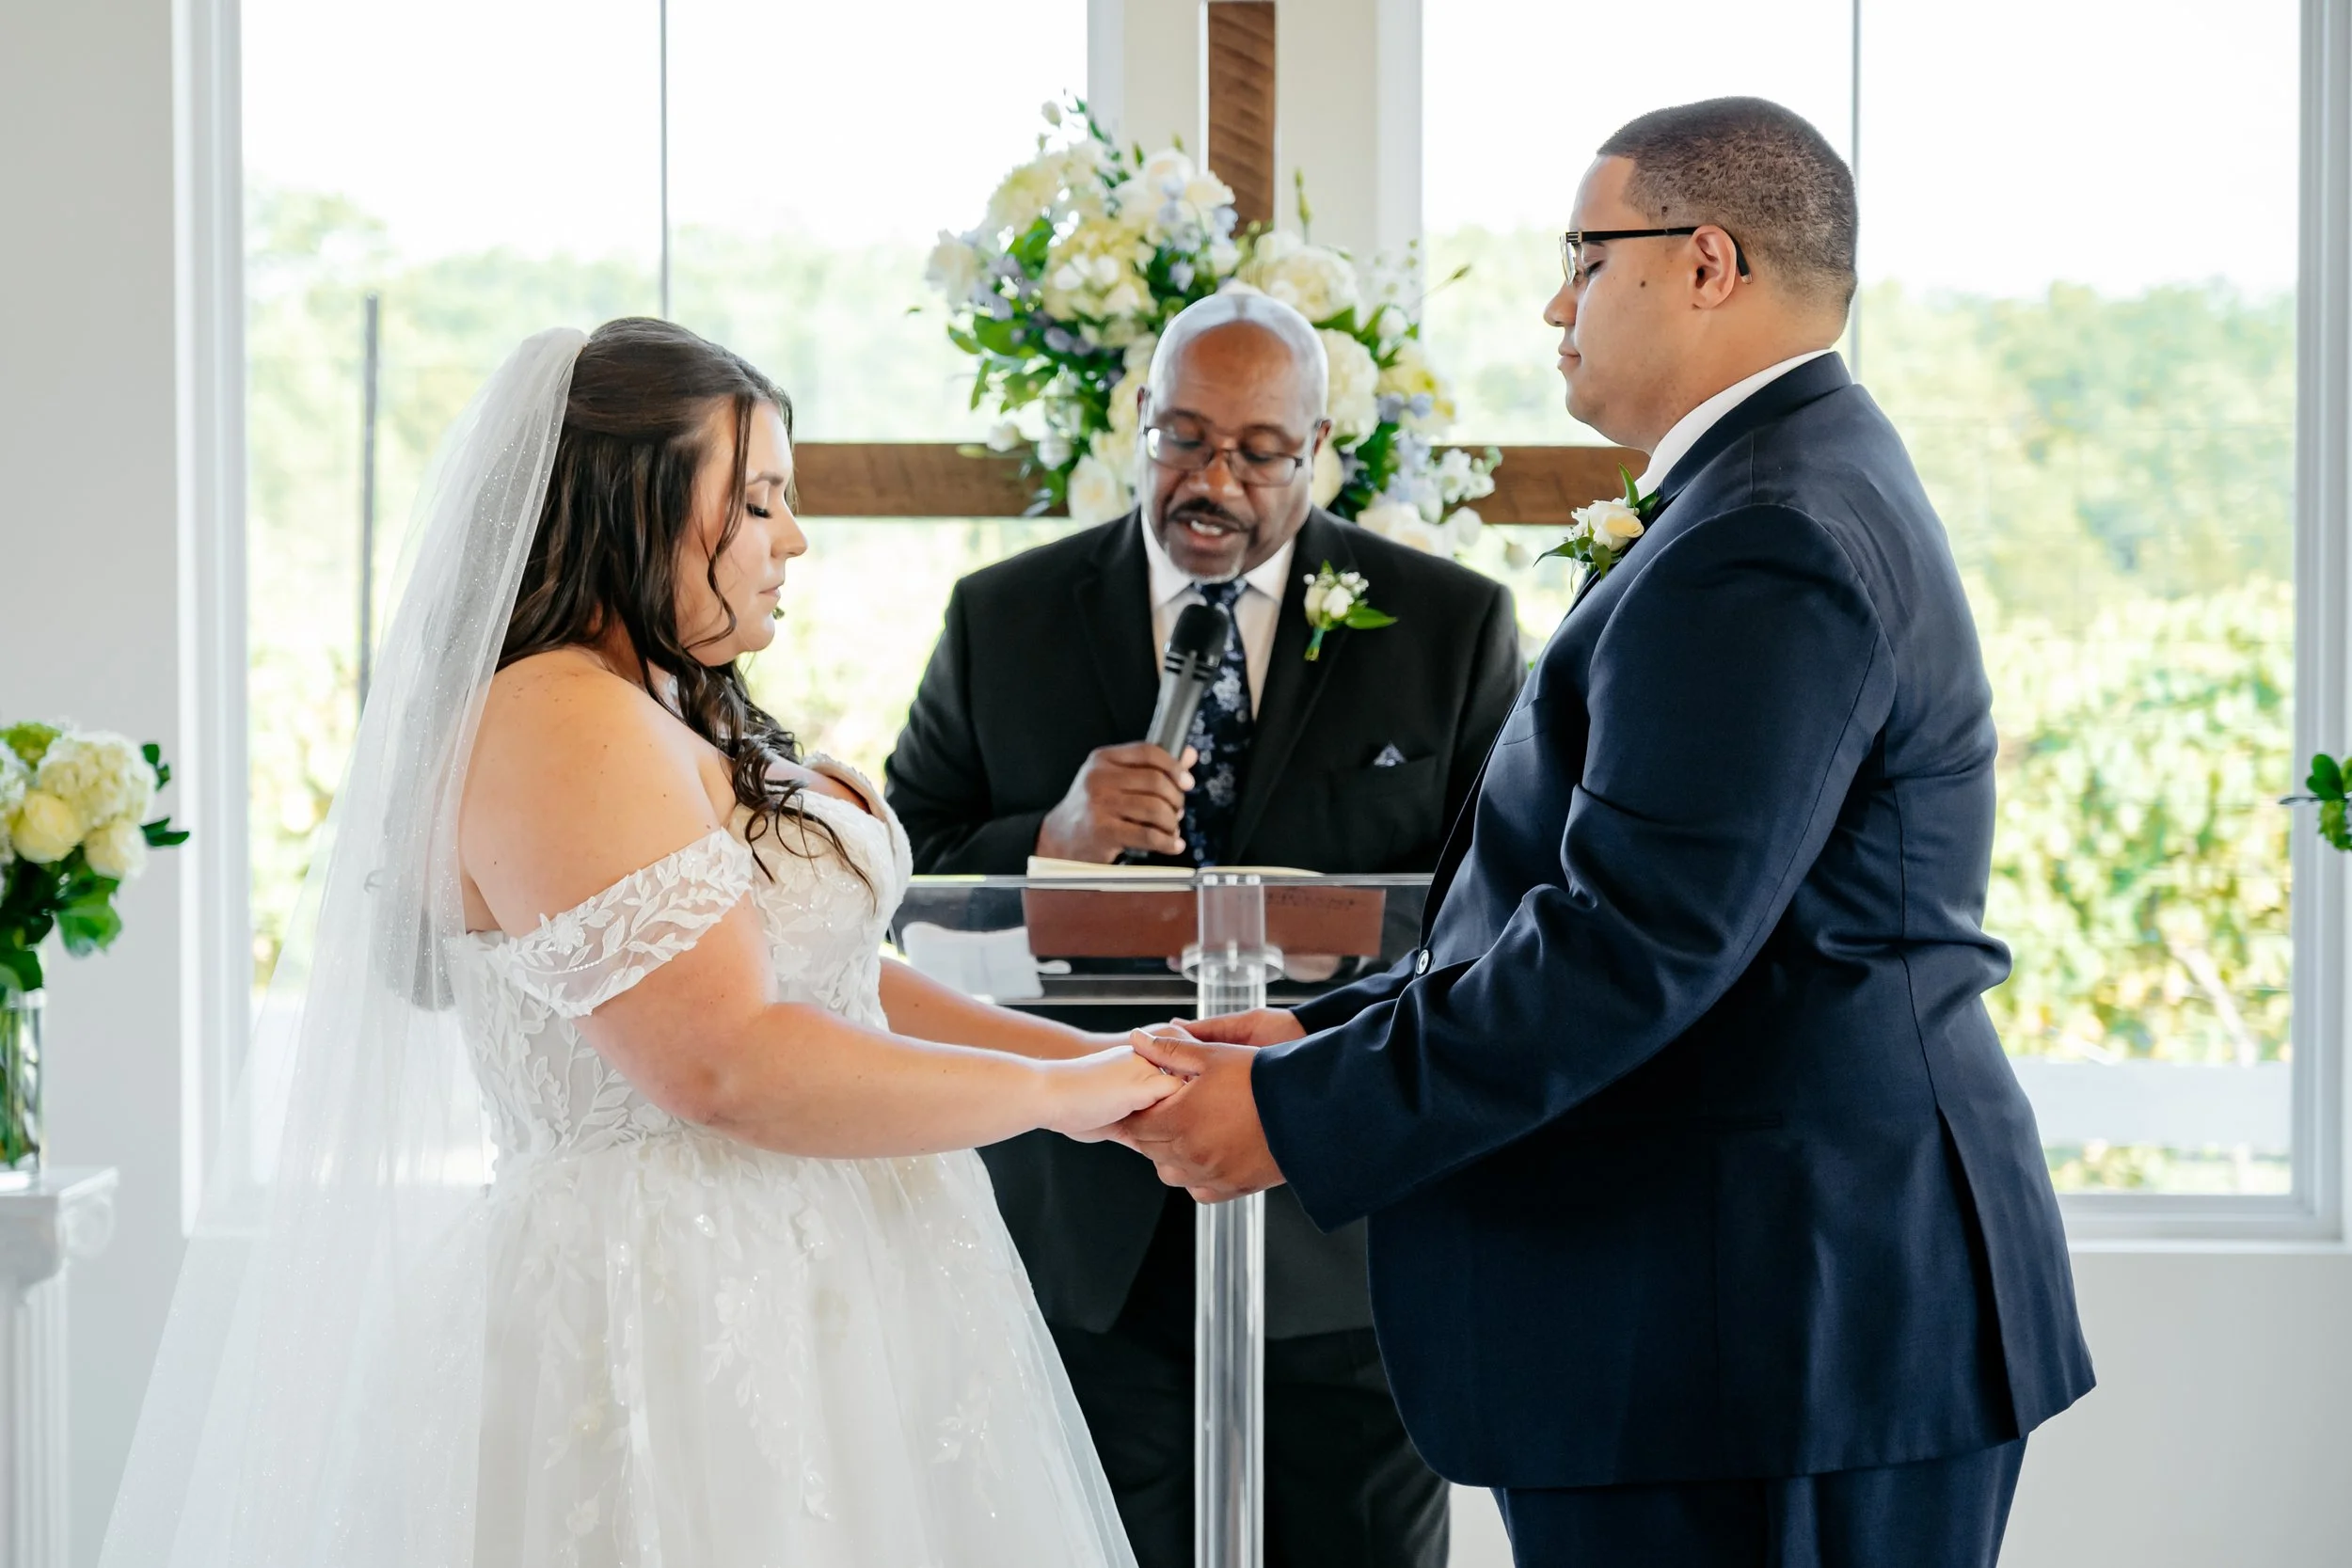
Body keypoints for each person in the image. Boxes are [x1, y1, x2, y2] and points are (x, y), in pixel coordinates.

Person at [1120, 98, 2096, 1568]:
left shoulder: (1769, 533)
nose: (1554, 301)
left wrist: (1300, 1115)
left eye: (1587, 253)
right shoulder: (1771, 488)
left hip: (1771, 1337)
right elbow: (1590, 902)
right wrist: (1327, 1035)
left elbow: (1633, 943)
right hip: (1734, 1318)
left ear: (1708, 263)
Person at [101, 319, 1177, 1568]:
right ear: (639, 503)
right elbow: (727, 1059)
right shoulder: (553, 717)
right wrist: (1057, 1092)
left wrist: (1100, 1063)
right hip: (671, 1317)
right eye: (761, 499)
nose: (796, 539)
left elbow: (826, 977)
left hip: (828, 1288)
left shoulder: (669, 700)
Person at [885, 290, 1522, 1568]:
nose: (1212, 480)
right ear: (1135, 420)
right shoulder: (1003, 615)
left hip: (1340, 1226)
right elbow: (898, 881)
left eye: (1257, 450)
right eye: (1180, 438)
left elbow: (1497, 906)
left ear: (1319, 447)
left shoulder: (1450, 626)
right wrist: (1052, 841)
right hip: (1086, 1237)